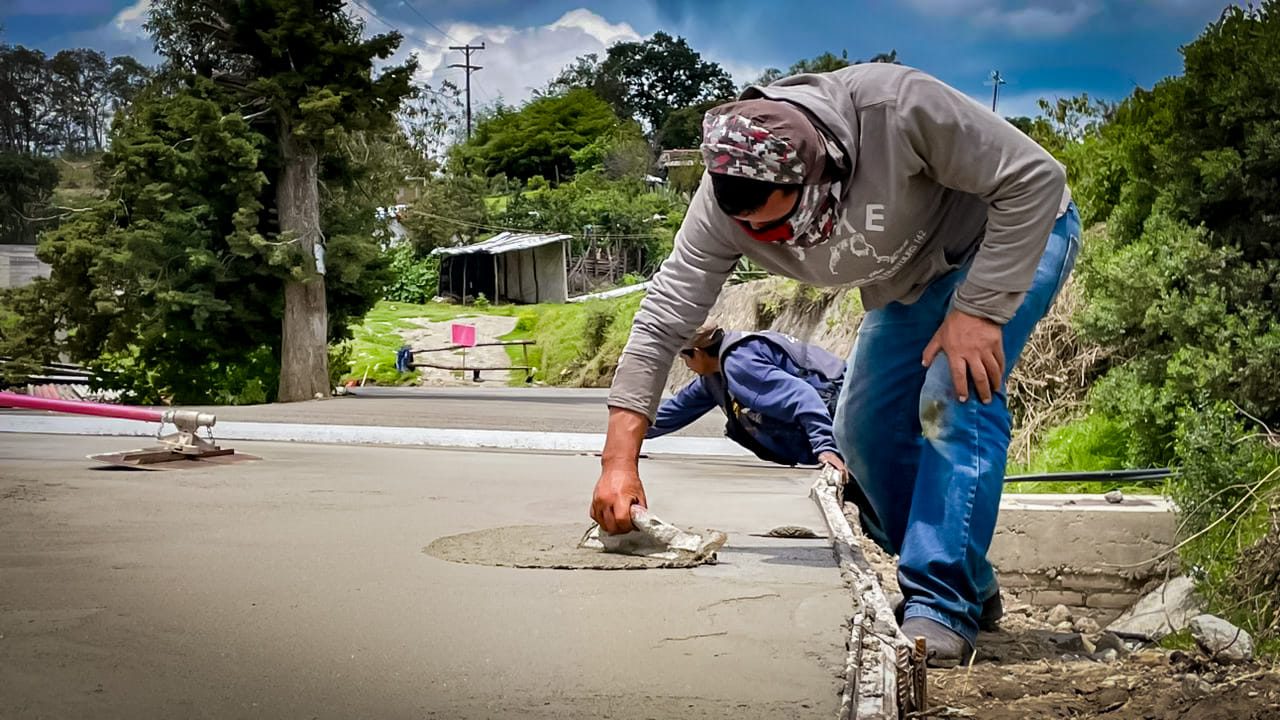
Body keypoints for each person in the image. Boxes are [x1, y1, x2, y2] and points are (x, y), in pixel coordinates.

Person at [589, 62, 1079, 667]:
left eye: (773, 222)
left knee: (952, 392)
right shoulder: (725, 204)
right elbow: (662, 319)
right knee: (862, 435)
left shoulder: (897, 110)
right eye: (745, 229)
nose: (760, 242)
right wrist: (618, 464)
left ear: (823, 174)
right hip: (906, 283)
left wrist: (979, 311)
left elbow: (1033, 178)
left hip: (1011, 237)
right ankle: (972, 585)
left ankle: (941, 604)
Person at [646, 325, 847, 470]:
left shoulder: (740, 362)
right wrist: (626, 439)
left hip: (845, 410)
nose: (685, 365)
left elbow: (803, 396)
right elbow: (675, 411)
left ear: (697, 353)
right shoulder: (715, 378)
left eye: (684, 357)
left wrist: (826, 449)